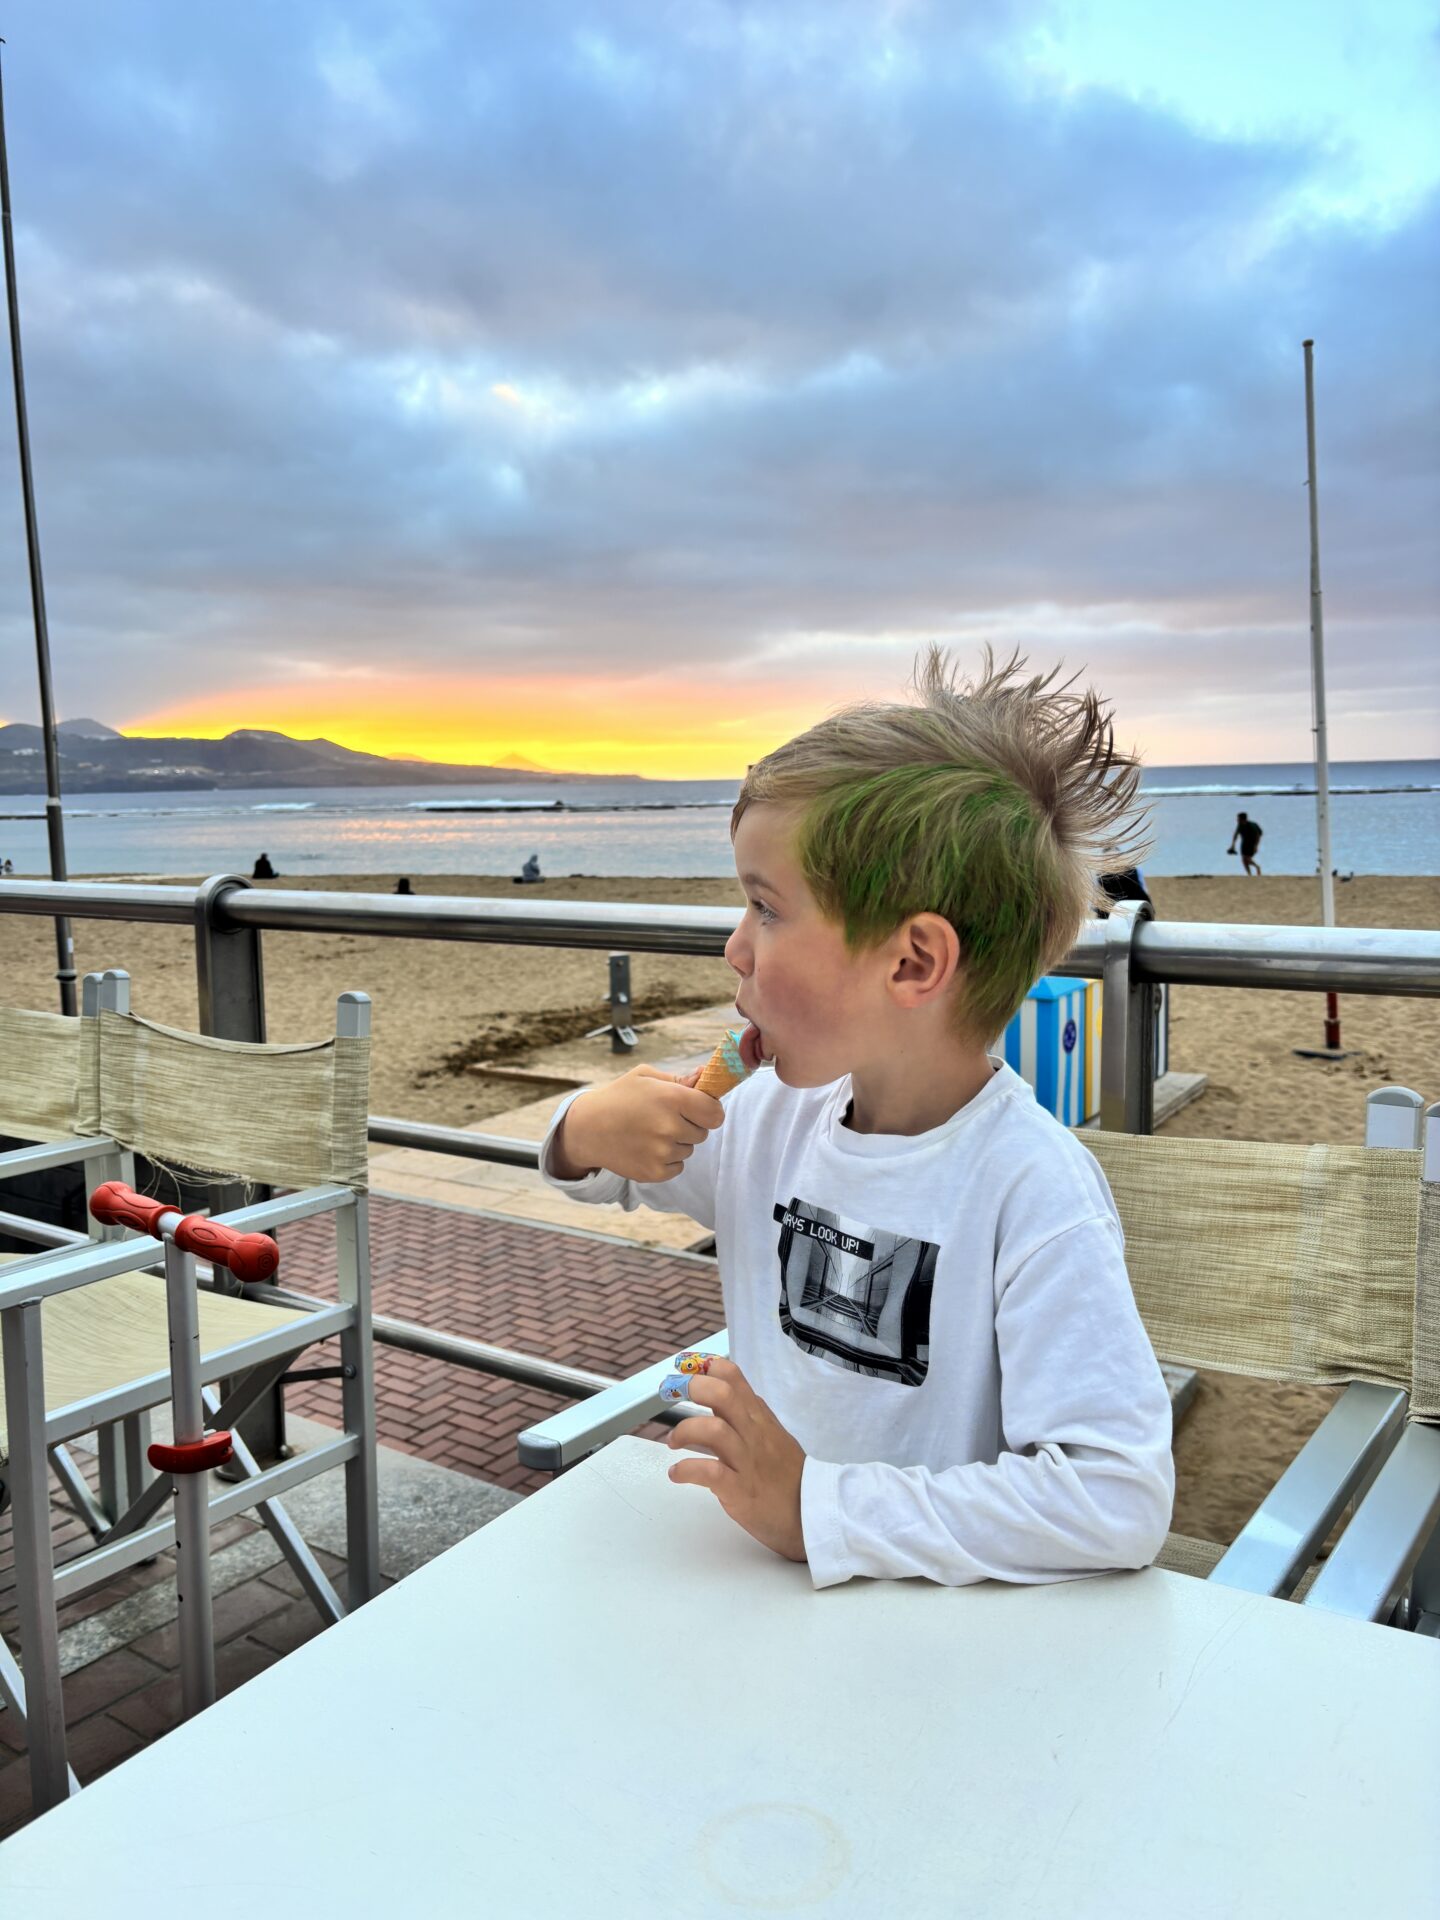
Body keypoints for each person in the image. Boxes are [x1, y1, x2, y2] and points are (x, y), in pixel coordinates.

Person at [540, 648, 1173, 1589]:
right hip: (753, 1597)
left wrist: (819, 1509)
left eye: (766, 909)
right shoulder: (770, 1116)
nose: (735, 947)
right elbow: (614, 1170)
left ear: (913, 963)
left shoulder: (1029, 1189)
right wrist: (584, 1128)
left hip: (930, 1633)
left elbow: (1115, 1500)